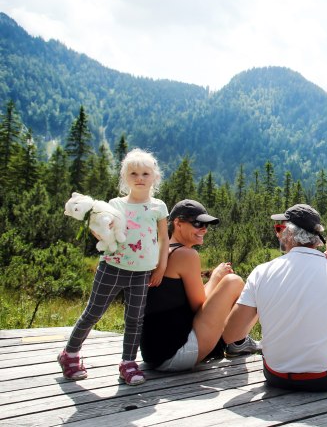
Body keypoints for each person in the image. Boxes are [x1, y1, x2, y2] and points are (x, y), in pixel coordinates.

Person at [222, 204, 327, 392]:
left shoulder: (261, 272)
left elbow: (231, 335)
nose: (278, 235)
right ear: (317, 240)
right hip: (325, 378)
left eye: (280, 229)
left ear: (290, 235)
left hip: (275, 376)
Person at [57, 149, 168, 386]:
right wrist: (96, 231)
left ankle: (128, 362)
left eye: (145, 173)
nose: (140, 178)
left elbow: (164, 239)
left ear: (155, 177)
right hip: (112, 267)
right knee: (93, 313)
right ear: (125, 177)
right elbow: (100, 227)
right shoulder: (114, 204)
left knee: (135, 318)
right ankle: (70, 354)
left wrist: (160, 267)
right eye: (134, 173)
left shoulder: (159, 206)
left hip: (143, 272)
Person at [140, 199, 262, 372]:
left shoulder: (161, 251)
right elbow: (199, 305)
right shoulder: (186, 254)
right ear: (178, 223)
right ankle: (238, 342)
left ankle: (236, 342)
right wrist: (216, 277)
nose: (203, 229)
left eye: (206, 225)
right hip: (176, 353)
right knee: (233, 282)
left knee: (225, 284)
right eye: (197, 224)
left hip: (153, 353)